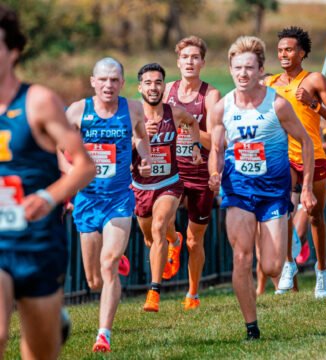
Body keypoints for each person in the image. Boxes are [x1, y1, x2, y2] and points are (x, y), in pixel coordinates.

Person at [0, 4, 95, 360]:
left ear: (13, 51)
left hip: (37, 241)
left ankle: (54, 318)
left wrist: (46, 196)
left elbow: (84, 167)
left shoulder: (39, 102)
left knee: (39, 354)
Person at [208, 36, 316, 340]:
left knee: (270, 267)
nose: (243, 74)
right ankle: (251, 327)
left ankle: (287, 250)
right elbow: (216, 148)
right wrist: (214, 172)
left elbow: (306, 142)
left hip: (273, 192)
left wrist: (306, 188)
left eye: (249, 68)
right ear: (230, 69)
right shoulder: (221, 108)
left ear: (260, 70)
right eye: (237, 68)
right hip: (238, 189)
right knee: (241, 258)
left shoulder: (277, 105)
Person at [64, 57, 151, 352]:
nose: (108, 85)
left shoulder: (133, 108)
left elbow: (141, 137)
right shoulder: (78, 111)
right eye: (103, 79)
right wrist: (68, 175)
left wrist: (147, 157)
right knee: (93, 281)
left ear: (122, 83)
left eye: (114, 80)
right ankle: (114, 262)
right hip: (87, 199)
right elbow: (55, 147)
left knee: (108, 264)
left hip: (118, 198)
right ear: (93, 81)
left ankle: (104, 334)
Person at [266, 27, 326, 298]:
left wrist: (314, 105)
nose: (284, 54)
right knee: (279, 212)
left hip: (312, 155)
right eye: (281, 49)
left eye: (290, 49)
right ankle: (288, 264)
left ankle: (321, 272)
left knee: (315, 216)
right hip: (282, 157)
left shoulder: (315, 80)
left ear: (302, 53)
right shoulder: (269, 84)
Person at [133, 63, 202, 312]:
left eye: (158, 82)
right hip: (141, 185)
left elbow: (193, 124)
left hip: (170, 182)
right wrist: (140, 138)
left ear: (164, 86)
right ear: (140, 86)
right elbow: (120, 148)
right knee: (151, 238)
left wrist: (195, 147)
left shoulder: (175, 112)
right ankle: (176, 240)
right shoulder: (132, 115)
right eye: (149, 83)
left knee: (160, 225)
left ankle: (153, 293)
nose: (154, 87)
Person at [163, 36, 221, 310]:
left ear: (202, 63)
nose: (190, 62)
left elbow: (215, 140)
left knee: (195, 239)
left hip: (199, 171)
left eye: (195, 57)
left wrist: (191, 130)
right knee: (158, 223)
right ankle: (171, 241)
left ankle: (193, 293)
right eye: (185, 57)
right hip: (170, 170)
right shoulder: (166, 91)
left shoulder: (210, 95)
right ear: (178, 62)